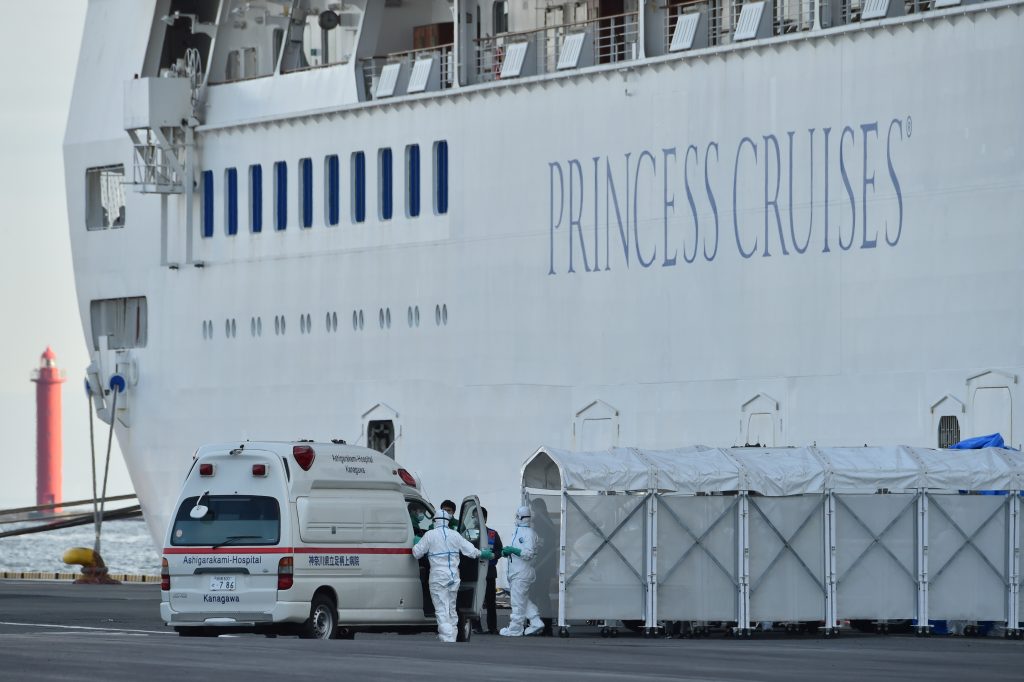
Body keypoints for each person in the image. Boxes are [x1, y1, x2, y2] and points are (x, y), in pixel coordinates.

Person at [412, 508, 493, 642]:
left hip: (438, 576)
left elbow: (416, 553)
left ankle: (447, 636)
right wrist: (483, 554)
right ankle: (451, 638)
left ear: (435, 520)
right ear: (448, 521)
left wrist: (416, 541)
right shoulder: (455, 535)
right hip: (454, 576)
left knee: (441, 608)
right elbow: (471, 551)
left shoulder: (430, 535)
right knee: (451, 608)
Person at [499, 505, 543, 637]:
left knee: (517, 602)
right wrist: (509, 552)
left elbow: (528, 553)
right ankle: (535, 621)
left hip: (521, 573)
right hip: (518, 572)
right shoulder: (520, 531)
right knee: (522, 599)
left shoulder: (528, 533)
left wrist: (513, 550)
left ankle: (515, 629)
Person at [473, 507, 503, 634]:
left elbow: (499, 550)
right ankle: (476, 626)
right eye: (474, 517)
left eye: (478, 517)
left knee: (490, 601)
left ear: (484, 518)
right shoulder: (469, 533)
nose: (475, 519)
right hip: (474, 571)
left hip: (489, 571)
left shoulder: (492, 534)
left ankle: (492, 627)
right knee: (475, 600)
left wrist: (494, 555)